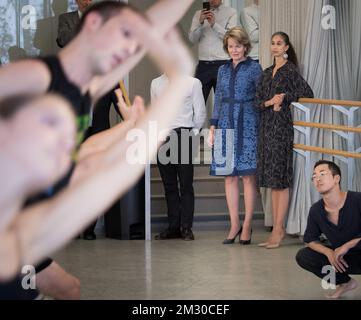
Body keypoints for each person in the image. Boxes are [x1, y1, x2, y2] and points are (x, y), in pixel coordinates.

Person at [0, 0, 195, 299]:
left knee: (69, 289)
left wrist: (129, 126)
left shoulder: (84, 89)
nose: (129, 51)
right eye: (124, 37)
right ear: (93, 26)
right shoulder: (37, 76)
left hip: (22, 233)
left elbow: (87, 158)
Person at [255, 31, 314, 249]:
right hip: (266, 129)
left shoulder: (290, 71)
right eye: (272, 43)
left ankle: (279, 230)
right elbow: (256, 102)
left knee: (280, 180)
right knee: (271, 182)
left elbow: (307, 93)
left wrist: (285, 98)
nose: (275, 47)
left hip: (281, 129)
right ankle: (275, 230)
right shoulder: (266, 72)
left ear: (287, 47)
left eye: (279, 43)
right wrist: (270, 102)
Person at [208, 27, 262, 245]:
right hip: (225, 123)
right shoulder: (222, 70)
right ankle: (234, 224)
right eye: (231, 46)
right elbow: (219, 97)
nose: (234, 50)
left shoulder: (255, 68)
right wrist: (213, 125)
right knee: (229, 176)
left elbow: (260, 98)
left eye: (238, 46)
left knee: (248, 176)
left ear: (245, 46)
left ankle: (247, 224)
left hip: (248, 122)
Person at [151, 74, 206, 241]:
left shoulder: (192, 83)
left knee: (186, 184)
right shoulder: (156, 83)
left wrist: (192, 134)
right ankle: (173, 227)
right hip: (163, 136)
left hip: (184, 134)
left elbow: (200, 112)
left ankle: (186, 228)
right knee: (169, 185)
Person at [296, 160, 361, 299]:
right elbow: (310, 239)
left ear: (336, 178)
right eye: (314, 176)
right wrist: (328, 252)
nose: (317, 178)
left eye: (322, 174)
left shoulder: (357, 200)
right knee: (304, 256)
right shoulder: (316, 210)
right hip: (343, 259)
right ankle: (345, 283)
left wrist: (348, 245)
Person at [189, 0, 237, 103]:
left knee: (224, 104)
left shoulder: (231, 12)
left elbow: (231, 38)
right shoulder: (198, 14)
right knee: (196, 103)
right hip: (203, 65)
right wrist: (200, 23)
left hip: (223, 64)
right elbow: (192, 39)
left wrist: (214, 24)